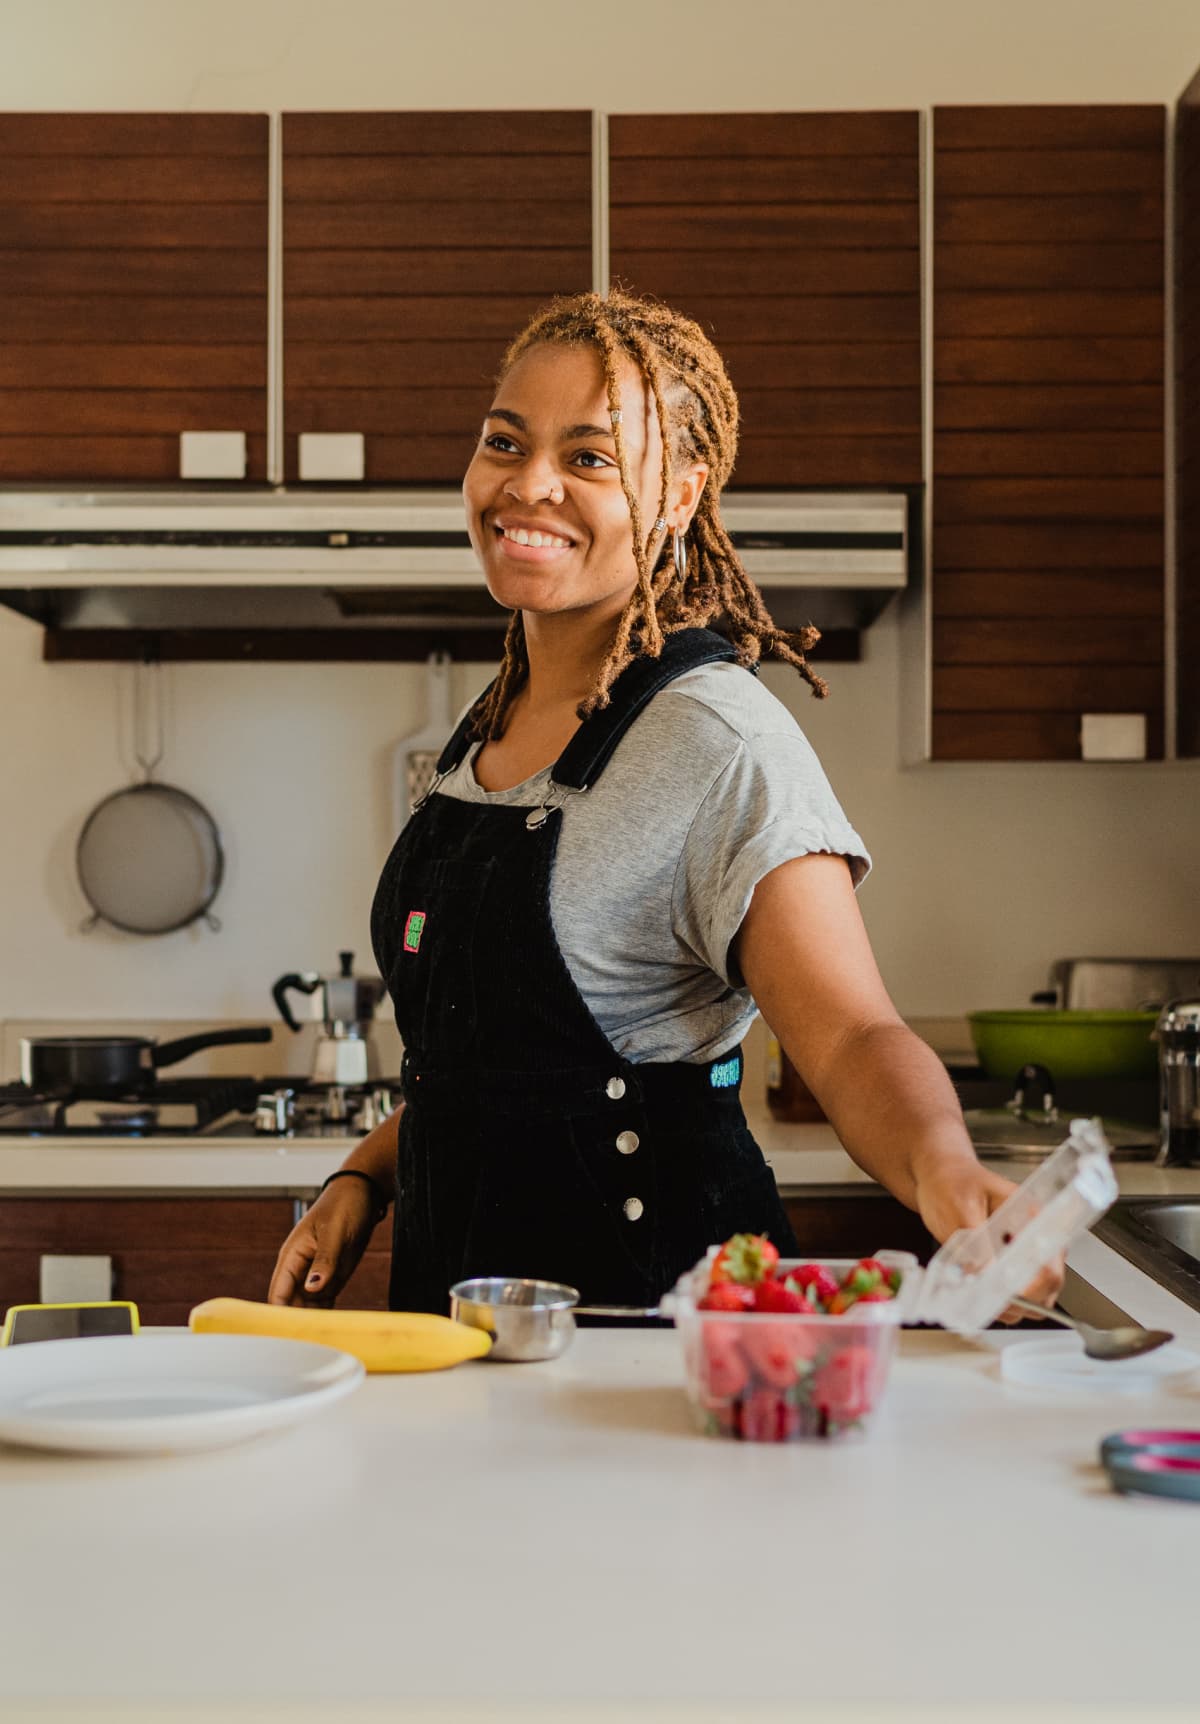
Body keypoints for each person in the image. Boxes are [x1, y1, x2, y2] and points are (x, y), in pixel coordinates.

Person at [268, 289, 1062, 1317]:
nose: (528, 484)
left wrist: (944, 1170)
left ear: (681, 495)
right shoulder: (491, 722)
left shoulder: (717, 740)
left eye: (589, 458)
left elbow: (854, 1035)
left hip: (658, 1344)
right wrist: (365, 1176)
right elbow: (489, 1065)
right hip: (467, 1342)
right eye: (504, 441)